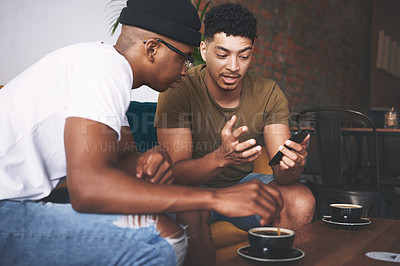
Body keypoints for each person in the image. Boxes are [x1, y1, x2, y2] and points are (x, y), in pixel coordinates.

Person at [0, 1, 287, 265]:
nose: (186, 71)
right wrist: (215, 199)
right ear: (152, 49)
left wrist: (148, 160)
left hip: (18, 202)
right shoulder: (103, 68)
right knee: (160, 237)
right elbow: (87, 189)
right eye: (184, 58)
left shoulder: (101, 66)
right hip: (6, 207)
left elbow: (123, 160)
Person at [155, 3, 316, 265]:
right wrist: (221, 158)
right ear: (204, 51)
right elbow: (176, 174)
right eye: (223, 54)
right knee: (189, 207)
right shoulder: (178, 88)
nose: (233, 66)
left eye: (243, 56)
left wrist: (292, 164)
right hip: (192, 190)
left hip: (243, 185)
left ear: (253, 52)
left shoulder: (269, 93)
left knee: (300, 199)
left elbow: (283, 175)